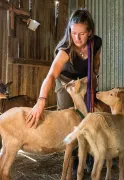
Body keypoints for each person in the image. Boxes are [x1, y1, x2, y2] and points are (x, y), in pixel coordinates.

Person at [25, 8, 102, 176]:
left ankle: (88, 152)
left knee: (88, 116)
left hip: (84, 80)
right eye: (73, 33)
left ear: (89, 32)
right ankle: (73, 159)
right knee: (70, 120)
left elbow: (95, 64)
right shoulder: (65, 49)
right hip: (65, 82)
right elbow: (51, 74)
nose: (77, 38)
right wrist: (41, 99)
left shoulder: (96, 43)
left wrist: (93, 82)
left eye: (81, 33)